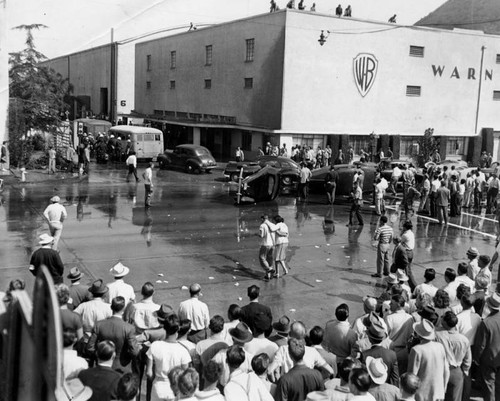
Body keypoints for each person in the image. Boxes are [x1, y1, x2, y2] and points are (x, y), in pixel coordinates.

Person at [87, 296, 140, 373]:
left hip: (103, 365)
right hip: (122, 366)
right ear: (124, 309)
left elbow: (90, 347)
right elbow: (134, 351)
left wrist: (100, 355)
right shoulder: (129, 328)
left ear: (111, 307)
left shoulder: (99, 325)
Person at [146, 313, 192, 400]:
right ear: (178, 329)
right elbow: (186, 375)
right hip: (175, 388)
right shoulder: (183, 350)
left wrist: (156, 380)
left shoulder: (154, 345)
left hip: (158, 386)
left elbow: (148, 373)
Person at [407, 319, 449, 401]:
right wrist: (443, 389)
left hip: (421, 395)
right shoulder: (440, 347)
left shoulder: (416, 350)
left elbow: (412, 376)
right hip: (438, 393)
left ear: (418, 334)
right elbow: (446, 370)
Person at [435, 311, 471, 401]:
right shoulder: (464, 339)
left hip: (440, 371)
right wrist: (464, 371)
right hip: (457, 371)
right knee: (455, 398)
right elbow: (467, 360)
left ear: (445, 322)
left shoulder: (437, 335)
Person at [473, 292, 500, 401]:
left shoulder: (486, 322)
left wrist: (476, 358)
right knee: (498, 385)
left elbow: (481, 345)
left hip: (489, 359)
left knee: (489, 386)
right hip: (498, 357)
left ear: (488, 306)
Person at [258, 215, 275, 281]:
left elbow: (261, 235)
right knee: (269, 258)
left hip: (265, 244)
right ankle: (268, 276)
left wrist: (256, 234)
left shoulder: (262, 225)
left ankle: (270, 270)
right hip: (272, 244)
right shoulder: (272, 225)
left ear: (262, 219)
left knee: (262, 257)